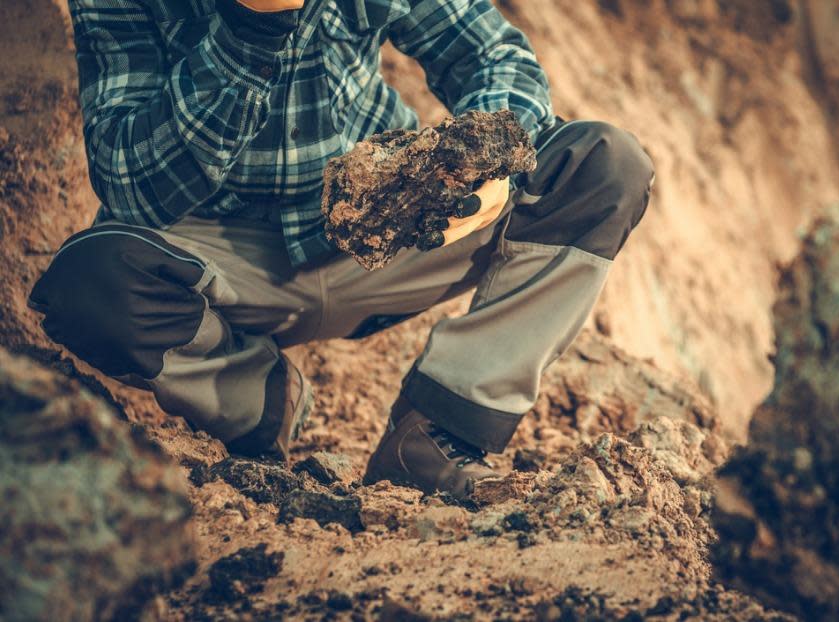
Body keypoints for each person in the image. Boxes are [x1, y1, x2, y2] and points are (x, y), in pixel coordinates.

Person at [29, 0, 653, 500]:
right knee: (90, 283)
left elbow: (490, 50)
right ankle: (261, 405)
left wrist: (483, 159)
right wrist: (252, 27)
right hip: (214, 252)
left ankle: (436, 437)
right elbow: (130, 185)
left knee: (601, 166)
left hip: (385, 223)